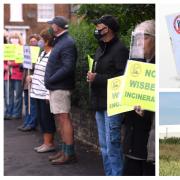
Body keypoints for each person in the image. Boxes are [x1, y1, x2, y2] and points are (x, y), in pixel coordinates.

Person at [87, 15, 129, 176]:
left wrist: (96, 78)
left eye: (99, 26)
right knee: (104, 147)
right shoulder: (100, 48)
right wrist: (92, 76)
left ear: (108, 29)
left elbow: (122, 79)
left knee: (112, 146)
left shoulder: (120, 50)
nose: (96, 29)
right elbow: (101, 72)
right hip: (99, 102)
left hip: (112, 105)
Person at [123, 20, 155, 176]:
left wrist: (148, 111)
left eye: (146, 37)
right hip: (132, 134)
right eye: (138, 37)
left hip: (151, 139)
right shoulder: (135, 62)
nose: (140, 42)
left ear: (156, 39)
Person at [45, 16, 77, 164]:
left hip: (61, 87)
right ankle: (64, 150)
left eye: (52, 24)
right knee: (61, 119)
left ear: (58, 27)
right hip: (57, 86)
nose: (51, 27)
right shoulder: (61, 41)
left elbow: (68, 67)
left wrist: (51, 79)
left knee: (64, 118)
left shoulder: (67, 42)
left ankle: (69, 153)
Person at [29, 28, 56, 153]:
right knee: (41, 118)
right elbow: (40, 73)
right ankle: (45, 142)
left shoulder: (53, 55)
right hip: (36, 92)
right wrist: (32, 77)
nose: (39, 41)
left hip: (45, 93)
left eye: (40, 39)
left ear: (46, 41)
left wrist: (48, 93)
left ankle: (49, 144)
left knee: (47, 118)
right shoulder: (42, 53)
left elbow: (51, 75)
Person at [17, 34, 41, 131]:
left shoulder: (39, 52)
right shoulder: (26, 51)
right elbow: (20, 65)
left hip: (33, 81)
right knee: (27, 104)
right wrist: (22, 63)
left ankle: (31, 123)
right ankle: (26, 122)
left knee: (32, 104)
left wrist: (30, 64)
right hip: (25, 81)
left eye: (34, 41)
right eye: (31, 41)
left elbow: (37, 66)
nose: (32, 43)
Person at [4, 32, 23, 120]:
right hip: (7, 75)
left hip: (18, 74)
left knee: (18, 95)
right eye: (12, 38)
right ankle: (8, 112)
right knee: (8, 95)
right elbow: (3, 61)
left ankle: (16, 113)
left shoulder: (21, 48)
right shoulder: (6, 48)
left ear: (19, 39)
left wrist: (12, 63)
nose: (14, 39)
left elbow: (21, 60)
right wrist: (5, 66)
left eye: (16, 38)